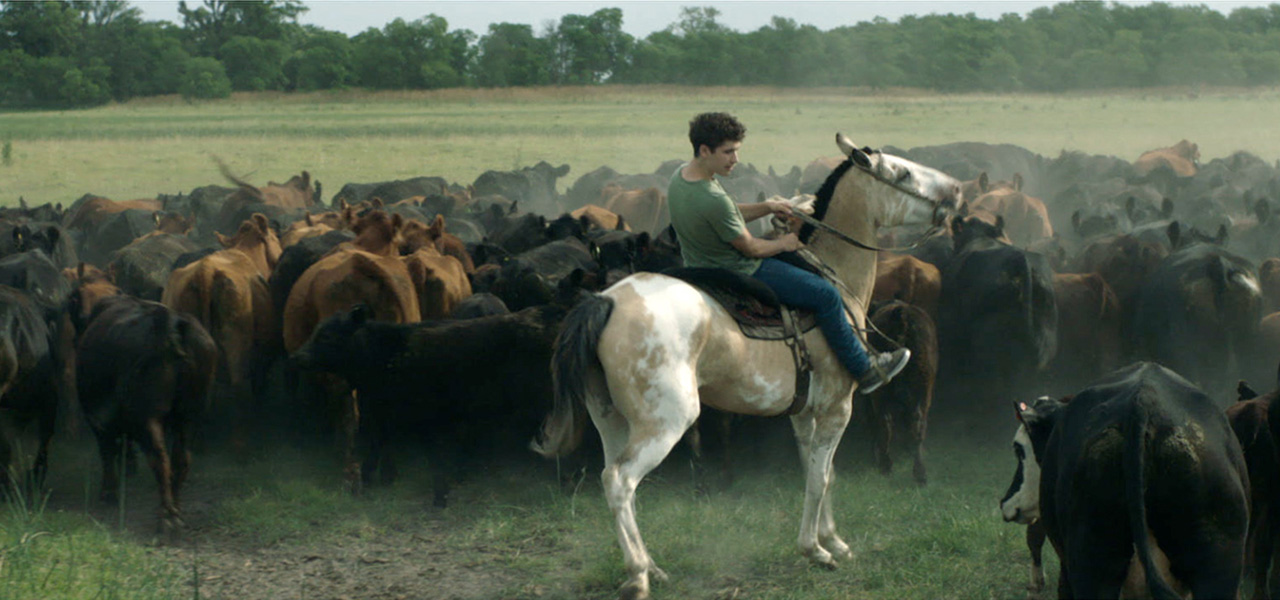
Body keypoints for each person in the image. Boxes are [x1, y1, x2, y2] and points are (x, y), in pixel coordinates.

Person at [667, 112, 909, 394]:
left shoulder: (682, 177)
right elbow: (752, 247)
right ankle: (864, 368)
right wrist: (786, 243)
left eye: (736, 151)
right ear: (705, 150)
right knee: (826, 294)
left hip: (696, 263)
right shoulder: (712, 197)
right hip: (738, 268)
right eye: (728, 152)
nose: (735, 159)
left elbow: (726, 214)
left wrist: (769, 206)